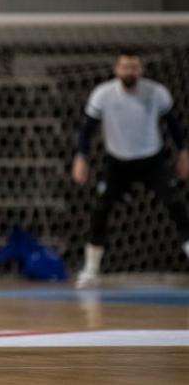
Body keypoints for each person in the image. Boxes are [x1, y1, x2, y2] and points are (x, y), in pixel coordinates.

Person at [71, 51, 189, 288]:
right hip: (117, 161)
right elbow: (87, 130)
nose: (129, 72)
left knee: (175, 204)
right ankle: (91, 270)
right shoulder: (103, 94)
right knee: (100, 210)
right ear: (117, 69)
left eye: (134, 67)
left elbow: (174, 126)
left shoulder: (156, 92)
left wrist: (183, 153)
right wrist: (80, 158)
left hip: (151, 160)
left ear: (141, 70)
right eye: (125, 67)